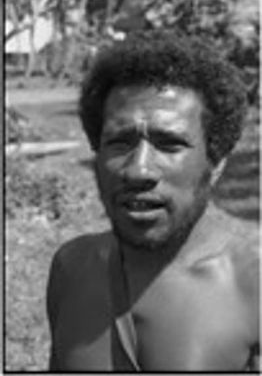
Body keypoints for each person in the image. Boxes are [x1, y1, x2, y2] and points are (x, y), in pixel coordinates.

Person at [46, 30, 259, 371]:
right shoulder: (71, 268)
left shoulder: (253, 283)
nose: (139, 170)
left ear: (216, 164)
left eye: (169, 143)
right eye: (119, 141)